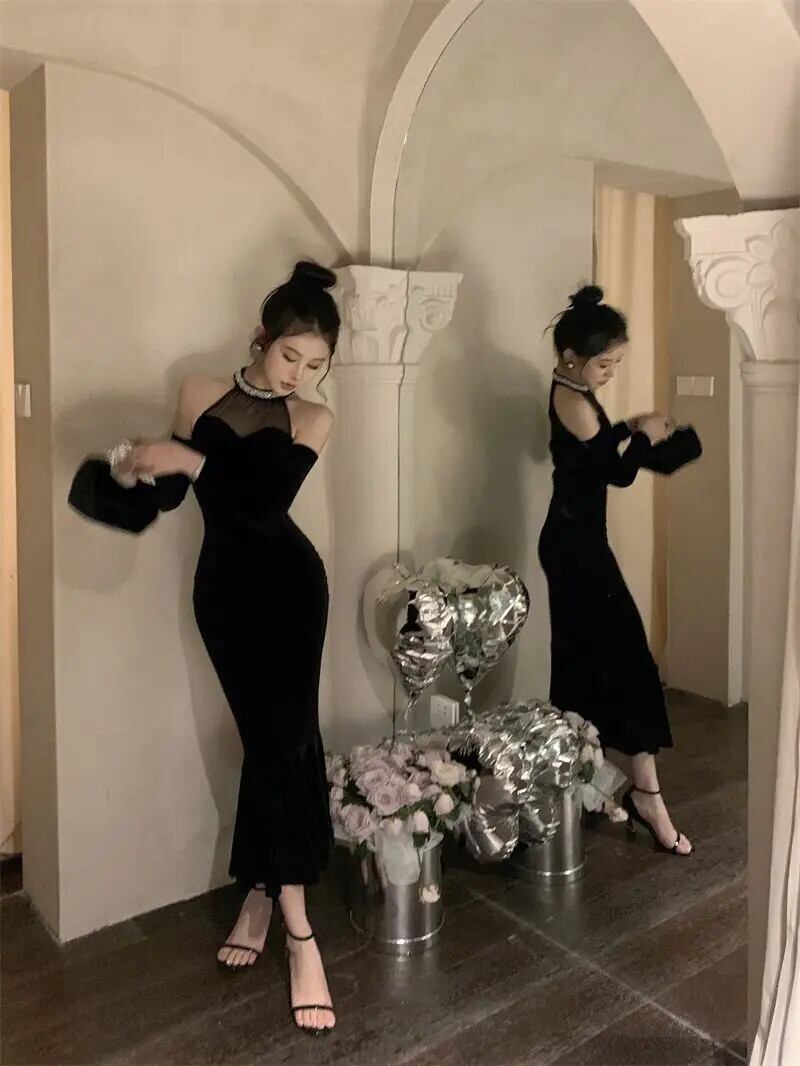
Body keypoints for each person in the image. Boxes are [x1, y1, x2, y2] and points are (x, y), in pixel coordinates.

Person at [126, 261, 340, 1033]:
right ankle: (260, 886)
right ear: (261, 337)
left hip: (290, 591)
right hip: (225, 596)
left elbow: (260, 503)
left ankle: (297, 929)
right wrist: (138, 468)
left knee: (285, 743)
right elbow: (175, 493)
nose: (298, 375)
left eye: (315, 364)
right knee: (268, 743)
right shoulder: (199, 391)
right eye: (290, 356)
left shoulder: (312, 418)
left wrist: (191, 459)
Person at [538, 284, 693, 857]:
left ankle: (592, 782)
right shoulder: (574, 401)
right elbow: (618, 473)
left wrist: (630, 427)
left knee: (591, 662)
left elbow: (602, 449)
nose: (610, 373)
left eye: (615, 364)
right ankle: (645, 795)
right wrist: (642, 435)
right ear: (572, 357)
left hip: (575, 542)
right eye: (605, 364)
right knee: (626, 661)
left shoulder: (574, 389)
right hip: (574, 547)